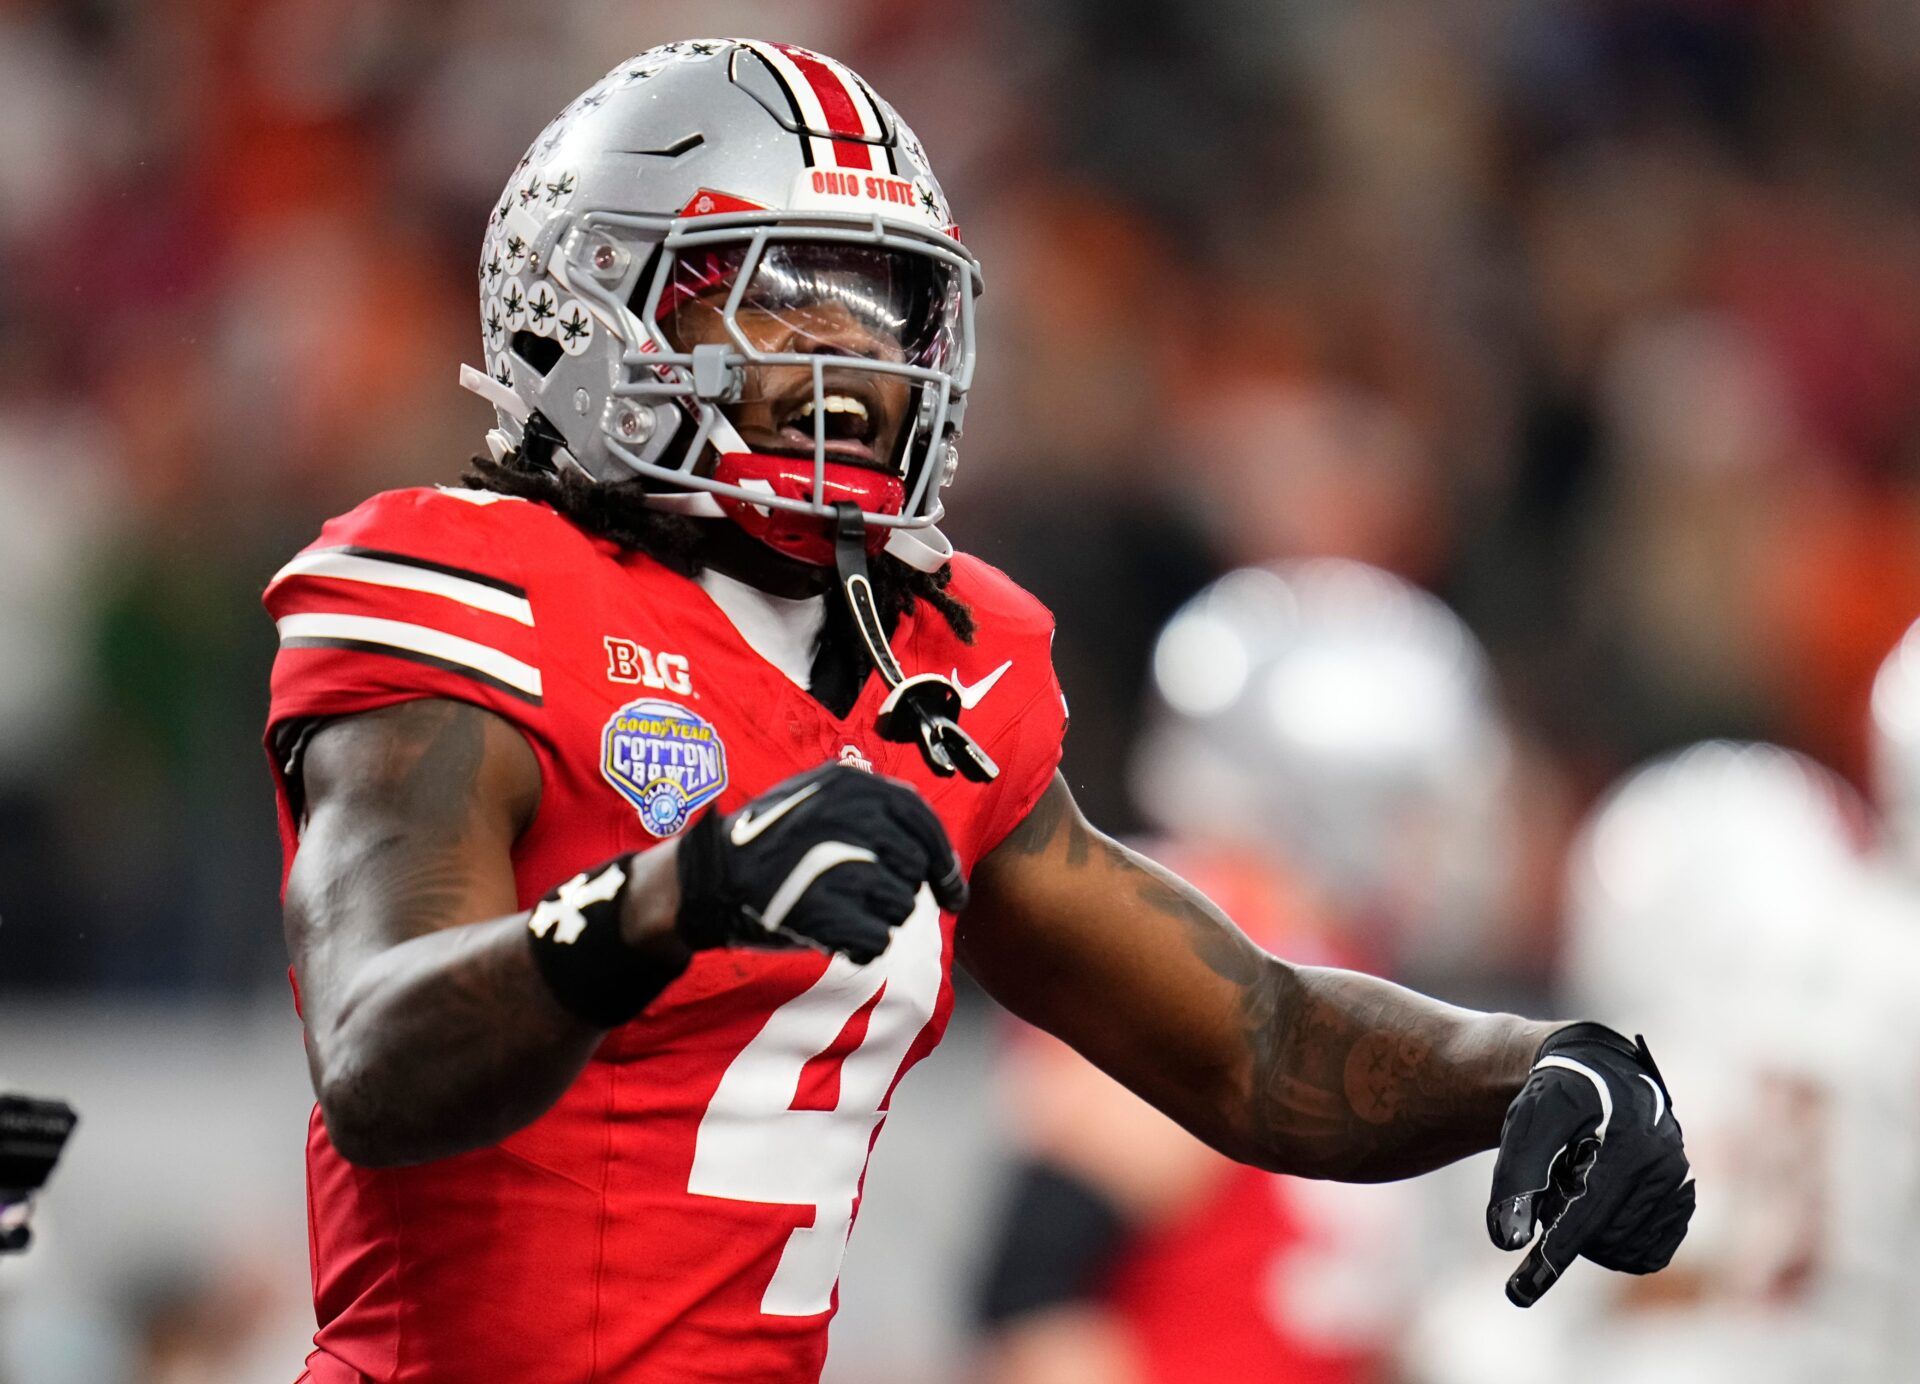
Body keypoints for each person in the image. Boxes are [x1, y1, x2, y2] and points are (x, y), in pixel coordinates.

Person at [261, 40, 1694, 1384]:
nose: (853, 369)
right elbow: (380, 1054)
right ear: (590, 307)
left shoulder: (936, 658)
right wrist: (658, 905)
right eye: (780, 302)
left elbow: (1253, 1043)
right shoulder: (460, 588)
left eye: (882, 312)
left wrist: (1539, 1060)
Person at [974, 560, 1510, 1383]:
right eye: (1416, 806)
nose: (1436, 844)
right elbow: (1036, 1291)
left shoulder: (1324, 953)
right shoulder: (1208, 945)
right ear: (1341, 794)